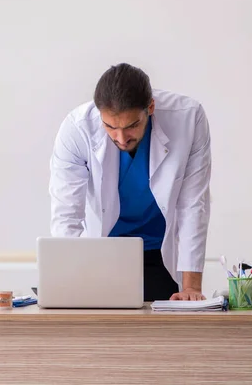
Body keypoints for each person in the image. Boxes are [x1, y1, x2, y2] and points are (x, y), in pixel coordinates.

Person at [48, 63, 211, 302]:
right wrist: (69, 282)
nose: (121, 138)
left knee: (164, 334)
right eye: (110, 127)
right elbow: (66, 213)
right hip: (102, 253)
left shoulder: (188, 117)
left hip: (159, 251)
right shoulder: (77, 128)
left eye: (132, 126)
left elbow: (193, 204)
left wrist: (191, 287)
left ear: (151, 107)